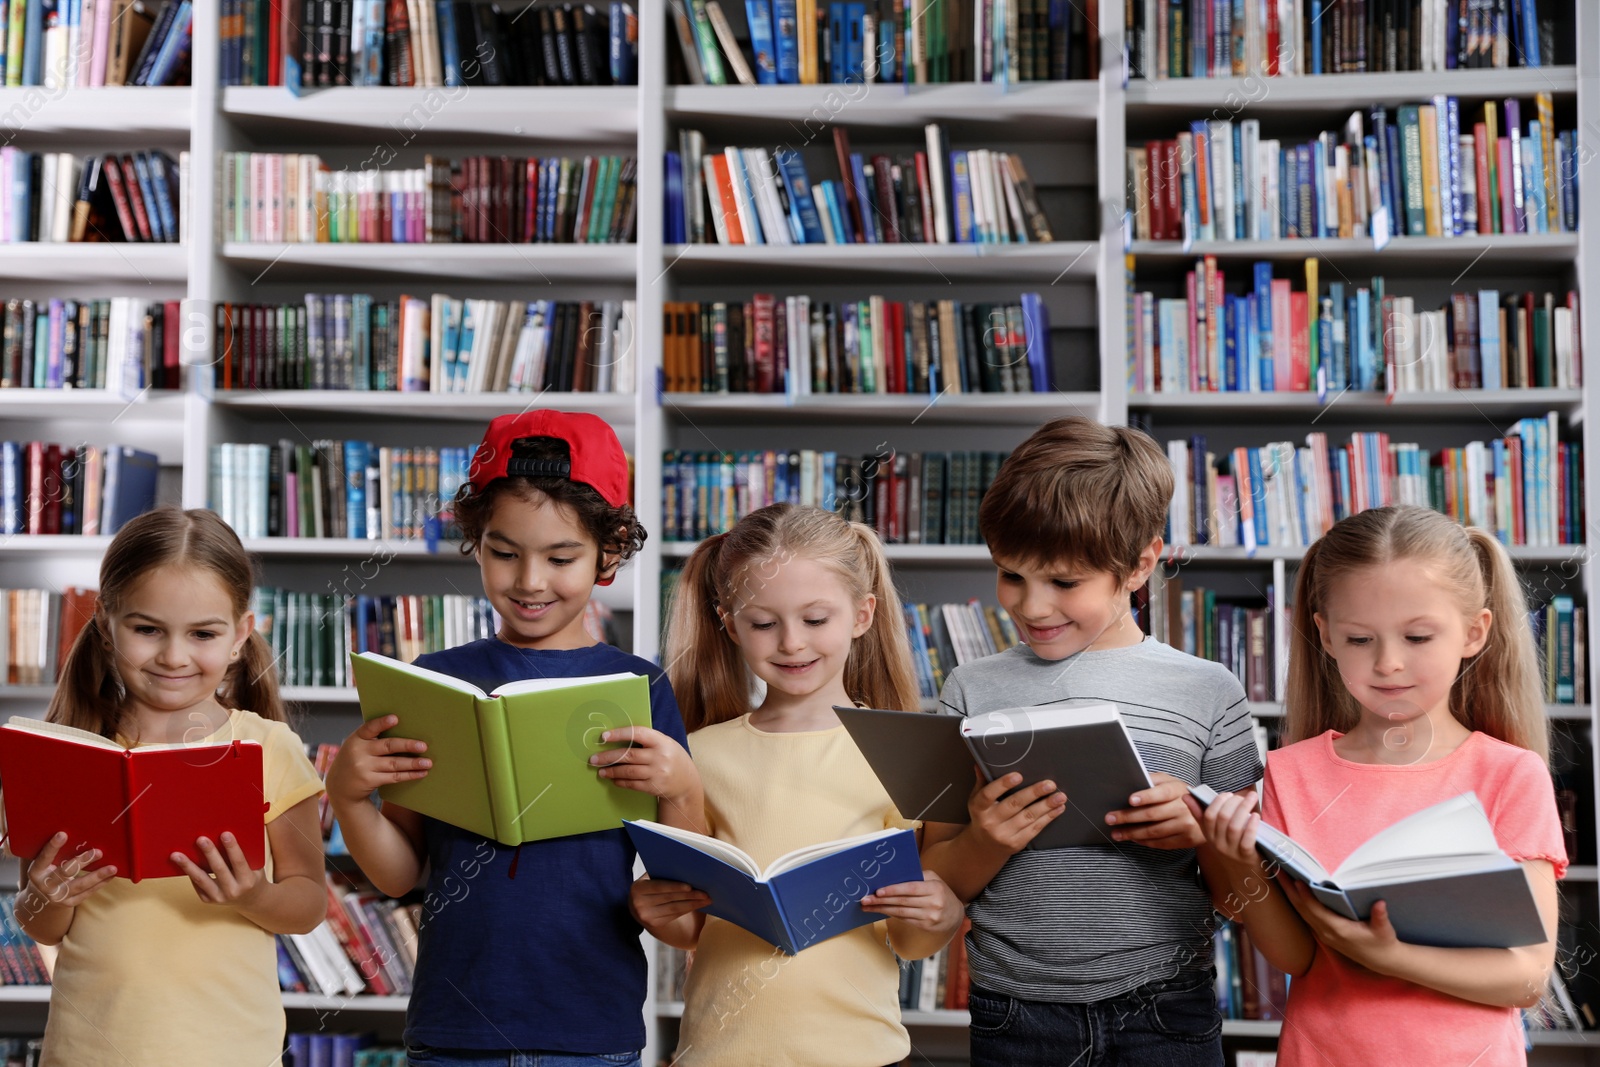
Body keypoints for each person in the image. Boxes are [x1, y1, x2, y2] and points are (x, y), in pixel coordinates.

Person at [326, 410, 702, 1067]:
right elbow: (401, 874)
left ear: (608, 551)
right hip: (453, 1029)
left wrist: (683, 786)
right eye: (504, 552)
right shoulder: (436, 683)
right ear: (476, 540)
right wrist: (350, 796)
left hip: (592, 1032)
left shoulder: (639, 687)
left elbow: (686, 894)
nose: (530, 580)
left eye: (561, 557)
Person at [920, 416, 1263, 1067]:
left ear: (1140, 565)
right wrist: (987, 837)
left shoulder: (1209, 690)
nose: (1031, 605)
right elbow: (938, 875)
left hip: (1165, 1008)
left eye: (1064, 582)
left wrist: (1200, 826)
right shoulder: (970, 687)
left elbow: (1240, 896)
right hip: (1015, 1011)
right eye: (1010, 574)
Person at [1196, 505, 1565, 1066]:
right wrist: (1235, 862)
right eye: (1361, 639)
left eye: (1417, 636)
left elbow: (1527, 977)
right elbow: (1297, 958)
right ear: (1324, 635)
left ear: (1474, 633)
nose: (1389, 663)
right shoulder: (1290, 773)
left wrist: (1390, 956)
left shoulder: (1510, 774)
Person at [634, 502, 964, 1066]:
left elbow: (911, 941)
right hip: (717, 1053)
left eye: (815, 620)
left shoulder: (908, 757)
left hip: (860, 1053)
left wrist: (946, 913)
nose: (791, 643)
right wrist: (653, 909)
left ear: (862, 615)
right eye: (764, 623)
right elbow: (691, 927)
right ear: (729, 622)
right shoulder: (699, 756)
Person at [17, 507, 326, 1067]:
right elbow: (42, 924)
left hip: (230, 1053)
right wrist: (47, 895)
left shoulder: (268, 747)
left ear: (239, 637)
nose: (174, 656)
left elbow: (307, 904)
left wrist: (255, 896)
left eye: (203, 633)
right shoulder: (66, 755)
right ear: (107, 622)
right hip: (88, 1053)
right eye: (147, 629)